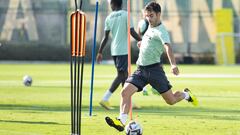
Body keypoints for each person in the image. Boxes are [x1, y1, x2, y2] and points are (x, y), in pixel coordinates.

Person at [105, 1, 198, 132]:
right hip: (140, 70)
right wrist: (142, 44)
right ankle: (121, 121)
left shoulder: (161, 31)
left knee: (170, 100)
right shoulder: (150, 25)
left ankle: (186, 95)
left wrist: (173, 65)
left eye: (151, 15)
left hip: (155, 71)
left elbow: (167, 47)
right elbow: (150, 42)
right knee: (125, 92)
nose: (148, 18)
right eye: (147, 15)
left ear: (159, 14)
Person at [97, 0, 141, 110]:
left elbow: (105, 37)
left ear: (113, 4)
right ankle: (105, 98)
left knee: (124, 76)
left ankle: (128, 102)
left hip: (114, 50)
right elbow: (132, 32)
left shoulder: (109, 17)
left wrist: (100, 52)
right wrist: (143, 40)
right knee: (122, 75)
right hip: (123, 50)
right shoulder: (126, 14)